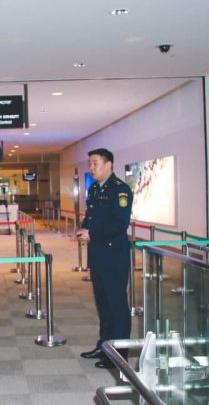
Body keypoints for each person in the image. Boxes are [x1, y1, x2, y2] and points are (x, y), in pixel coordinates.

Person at [75, 148, 133, 369]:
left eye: (95, 163)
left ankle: (119, 354)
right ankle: (105, 346)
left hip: (113, 255)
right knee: (103, 304)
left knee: (116, 304)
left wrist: (92, 233)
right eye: (90, 163)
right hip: (98, 255)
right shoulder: (95, 189)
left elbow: (119, 224)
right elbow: (91, 217)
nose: (91, 167)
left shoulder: (120, 190)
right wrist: (83, 230)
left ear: (108, 165)